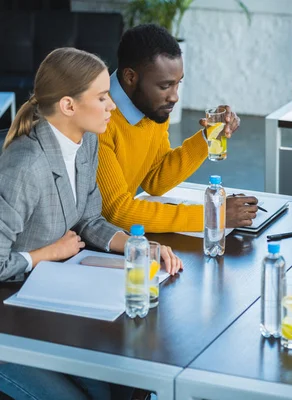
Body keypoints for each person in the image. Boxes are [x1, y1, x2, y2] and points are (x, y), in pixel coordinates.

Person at [0, 47, 181, 399]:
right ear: (69, 106)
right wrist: (47, 253)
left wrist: (137, 246)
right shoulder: (25, 167)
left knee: (119, 387)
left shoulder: (86, 144)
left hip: (46, 306)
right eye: (102, 97)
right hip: (10, 321)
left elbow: (88, 218)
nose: (112, 105)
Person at [97, 24, 258, 233]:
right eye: (165, 86)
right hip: (79, 245)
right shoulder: (98, 118)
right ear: (130, 77)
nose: (174, 97)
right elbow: (116, 212)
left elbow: (155, 180)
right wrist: (213, 214)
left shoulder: (150, 105)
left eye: (177, 84)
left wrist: (209, 135)